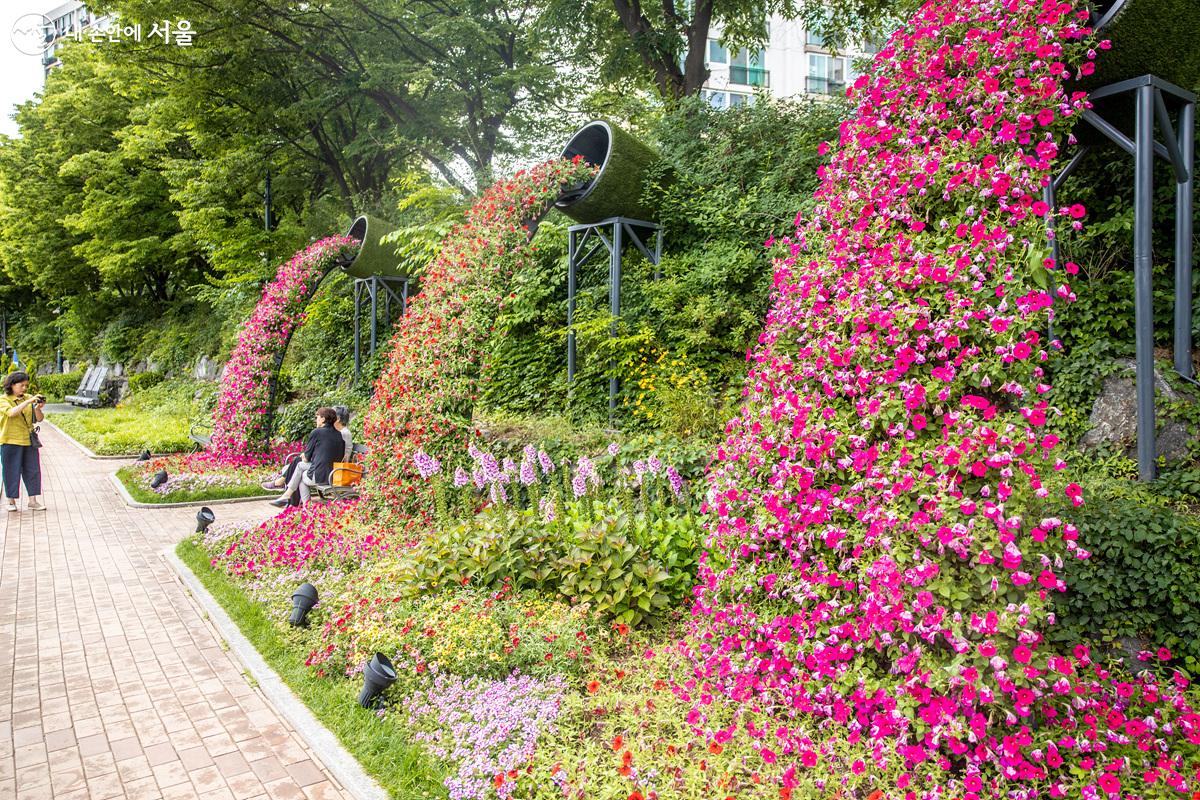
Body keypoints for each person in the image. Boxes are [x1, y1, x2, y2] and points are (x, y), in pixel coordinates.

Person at [261, 406, 353, 494]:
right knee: (298, 463)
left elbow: (332, 451)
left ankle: (283, 487)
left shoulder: (342, 433)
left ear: (338, 419)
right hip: (328, 465)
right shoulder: (336, 432)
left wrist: (309, 454)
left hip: (332, 468)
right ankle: (286, 492)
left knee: (299, 465)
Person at [0, 372, 46, 512]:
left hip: (28, 440)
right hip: (10, 440)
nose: (24, 388)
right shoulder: (4, 399)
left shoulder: (28, 398)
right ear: (12, 385)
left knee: (33, 470)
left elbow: (39, 419)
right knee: (11, 471)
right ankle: (11, 501)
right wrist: (28, 402)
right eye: (21, 385)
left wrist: (38, 408)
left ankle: (33, 501)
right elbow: (11, 413)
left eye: (26, 385)